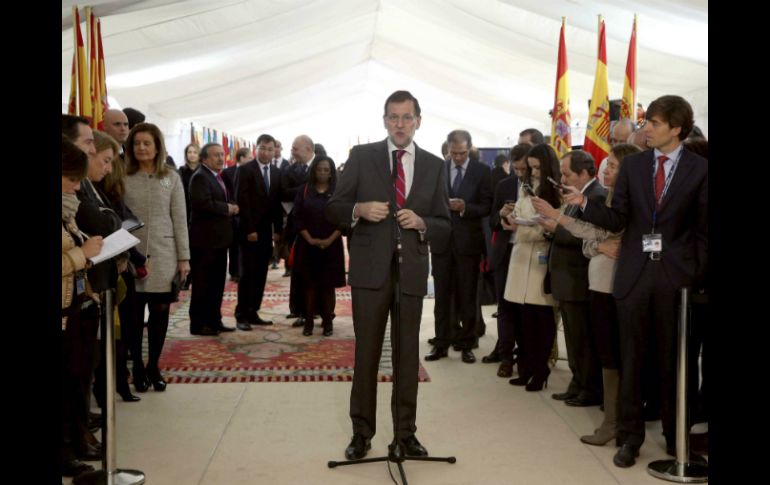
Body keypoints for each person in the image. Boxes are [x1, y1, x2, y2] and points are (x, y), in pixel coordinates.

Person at [553, 95, 707, 468]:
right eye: (646, 122)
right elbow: (617, 217)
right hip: (634, 276)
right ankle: (629, 438)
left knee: (676, 363)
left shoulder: (700, 170)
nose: (646, 129)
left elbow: (703, 231)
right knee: (632, 359)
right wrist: (586, 205)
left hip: (676, 280)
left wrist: (695, 273)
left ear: (676, 128)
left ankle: (675, 438)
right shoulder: (634, 166)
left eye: (653, 123)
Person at [327, 90, 450, 460]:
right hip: (369, 272)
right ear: (384, 121)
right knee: (366, 355)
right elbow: (333, 208)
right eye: (393, 117)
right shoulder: (362, 157)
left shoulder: (433, 165)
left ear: (418, 121)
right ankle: (361, 434)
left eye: (407, 117)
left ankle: (406, 433)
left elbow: (445, 224)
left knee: (407, 356)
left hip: (410, 272)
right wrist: (359, 209)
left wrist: (423, 221)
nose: (400, 124)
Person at [532, 143, 641, 445]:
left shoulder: (628, 202)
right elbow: (595, 238)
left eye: (613, 166)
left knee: (615, 356)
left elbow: (615, 241)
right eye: (607, 165)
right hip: (599, 284)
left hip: (615, 286)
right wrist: (559, 215)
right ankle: (612, 422)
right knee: (608, 354)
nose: (606, 170)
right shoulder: (608, 198)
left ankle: (617, 423)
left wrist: (564, 220)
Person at [123, 123, 190, 393]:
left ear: (157, 146)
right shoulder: (122, 176)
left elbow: (180, 219)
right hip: (132, 253)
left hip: (165, 253)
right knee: (134, 313)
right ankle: (137, 365)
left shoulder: (171, 177)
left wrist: (184, 258)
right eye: (136, 143)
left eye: (146, 143)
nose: (141, 148)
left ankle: (154, 364)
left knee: (161, 311)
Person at [426, 129, 492, 364]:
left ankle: (467, 343)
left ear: (470, 149)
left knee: (467, 296)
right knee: (442, 296)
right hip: (442, 243)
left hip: (468, 244)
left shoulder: (482, 171)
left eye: (462, 153)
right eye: (454, 153)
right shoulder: (438, 168)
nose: (458, 158)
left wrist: (465, 207)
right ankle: (441, 342)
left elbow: (487, 205)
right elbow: (428, 202)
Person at [61, 137, 104, 479]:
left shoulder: (66, 209)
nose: (77, 187)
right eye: (73, 179)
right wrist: (82, 254)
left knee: (73, 381)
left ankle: (71, 444)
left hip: (74, 304)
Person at [503, 144, 561, 392]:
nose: (534, 172)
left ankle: (541, 369)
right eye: (531, 168)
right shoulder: (525, 188)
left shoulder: (556, 191)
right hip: (520, 254)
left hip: (541, 257)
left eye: (538, 168)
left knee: (542, 317)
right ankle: (525, 366)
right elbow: (518, 213)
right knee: (522, 317)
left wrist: (526, 226)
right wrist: (508, 218)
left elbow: (552, 225)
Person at [188, 143, 239, 336]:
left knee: (217, 284)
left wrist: (231, 204)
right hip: (204, 241)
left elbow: (227, 198)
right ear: (204, 158)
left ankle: (214, 320)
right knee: (202, 284)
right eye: (216, 155)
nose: (220, 158)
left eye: (222, 154)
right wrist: (228, 208)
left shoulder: (218, 176)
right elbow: (204, 204)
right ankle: (198, 324)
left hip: (218, 241)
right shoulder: (200, 177)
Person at [292, 156, 346, 336]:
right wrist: (309, 239)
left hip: (332, 245)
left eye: (326, 170)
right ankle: (308, 320)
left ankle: (327, 320)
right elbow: (297, 217)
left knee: (328, 285)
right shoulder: (304, 190)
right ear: (314, 171)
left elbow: (344, 220)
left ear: (331, 173)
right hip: (307, 245)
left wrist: (330, 239)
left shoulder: (338, 191)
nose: (322, 173)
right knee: (309, 284)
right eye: (319, 169)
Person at [234, 134, 283, 330]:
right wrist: (249, 229)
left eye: (270, 149)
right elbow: (241, 200)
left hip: (266, 232)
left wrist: (278, 230)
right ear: (256, 149)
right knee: (247, 273)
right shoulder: (246, 170)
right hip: (249, 231)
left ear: (275, 151)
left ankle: (253, 311)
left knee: (261, 273)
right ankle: (241, 315)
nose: (266, 152)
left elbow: (277, 203)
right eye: (262, 148)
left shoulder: (277, 172)